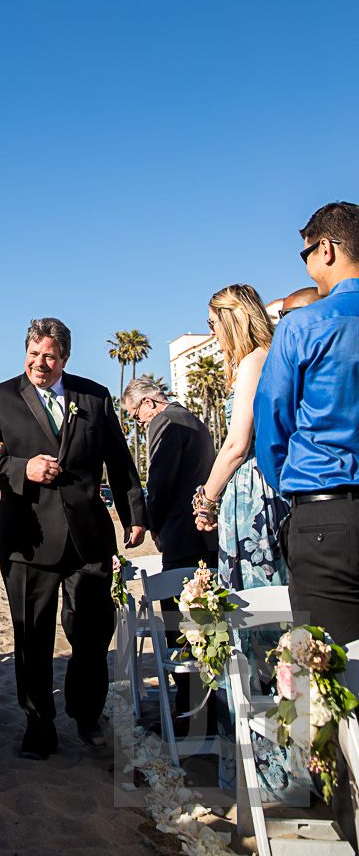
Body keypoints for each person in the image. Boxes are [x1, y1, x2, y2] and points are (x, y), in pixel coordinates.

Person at [0, 318, 146, 760]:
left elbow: (119, 461)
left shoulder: (94, 396)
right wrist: (20, 468)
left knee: (91, 632)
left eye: (49, 356)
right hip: (27, 538)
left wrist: (134, 513)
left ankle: (87, 714)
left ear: (65, 358)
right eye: (33, 354)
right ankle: (38, 724)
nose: (39, 363)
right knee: (32, 635)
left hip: (89, 536)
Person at [255, 201, 359, 839]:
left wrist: (291, 482)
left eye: (305, 253)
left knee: (323, 666)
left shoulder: (306, 325)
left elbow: (274, 424)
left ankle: (333, 811)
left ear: (326, 248)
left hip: (325, 515)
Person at [192, 284, 288, 590]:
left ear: (231, 318)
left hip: (254, 488)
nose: (212, 332)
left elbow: (236, 445)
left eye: (212, 323)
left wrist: (206, 499)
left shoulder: (253, 362)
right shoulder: (270, 355)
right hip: (269, 481)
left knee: (257, 595)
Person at [123, 376, 217, 570]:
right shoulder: (193, 419)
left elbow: (160, 481)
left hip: (180, 535)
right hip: (206, 534)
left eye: (136, 415)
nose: (139, 423)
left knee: (176, 599)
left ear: (147, 402)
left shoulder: (164, 420)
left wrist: (154, 525)